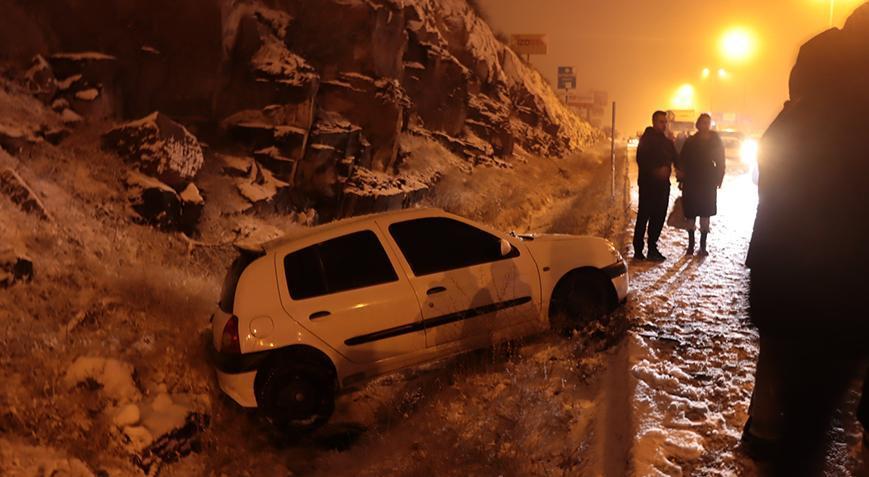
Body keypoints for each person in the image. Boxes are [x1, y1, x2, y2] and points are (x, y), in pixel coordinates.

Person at [741, 5, 869, 474]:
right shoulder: (851, 117)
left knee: (800, 419)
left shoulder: (793, 121)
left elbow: (774, 193)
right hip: (832, 288)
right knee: (805, 418)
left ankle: (766, 435)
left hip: (793, 284)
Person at [675, 113, 725, 256]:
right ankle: (691, 245)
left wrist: (719, 178)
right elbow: (682, 160)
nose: (705, 125)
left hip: (708, 182)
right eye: (703, 122)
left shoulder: (715, 141)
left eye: (707, 123)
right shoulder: (691, 141)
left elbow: (721, 161)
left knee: (705, 213)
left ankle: (703, 246)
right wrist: (681, 179)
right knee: (691, 213)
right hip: (691, 181)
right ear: (698, 124)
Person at [633, 110, 675, 261]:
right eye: (660, 122)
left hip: (663, 187)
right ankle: (638, 250)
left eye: (665, 122)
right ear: (654, 122)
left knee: (658, 217)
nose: (663, 125)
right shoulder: (647, 139)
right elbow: (641, 159)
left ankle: (652, 247)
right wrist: (655, 171)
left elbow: (675, 158)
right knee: (644, 216)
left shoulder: (667, 142)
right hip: (647, 185)